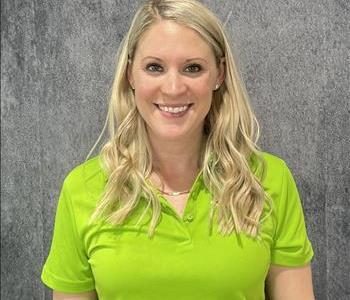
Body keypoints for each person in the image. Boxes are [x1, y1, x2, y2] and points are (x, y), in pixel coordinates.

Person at [41, 0, 315, 299]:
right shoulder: (83, 189)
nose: (173, 88)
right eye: (154, 67)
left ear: (219, 75)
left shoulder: (267, 181)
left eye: (193, 68)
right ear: (131, 73)